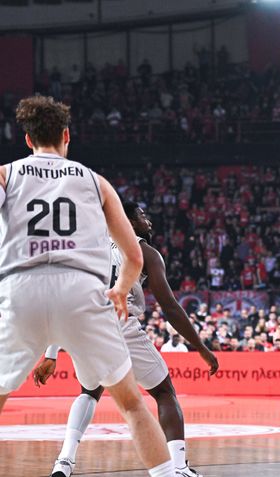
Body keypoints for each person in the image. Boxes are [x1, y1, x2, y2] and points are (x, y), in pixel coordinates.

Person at [0, 96, 175, 477]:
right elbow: (134, 256)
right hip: (82, 290)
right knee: (131, 403)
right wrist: (121, 288)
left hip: (21, 287)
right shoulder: (96, 183)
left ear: (27, 140)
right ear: (66, 135)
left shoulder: (5, 174)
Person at [33, 201, 219, 477]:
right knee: (164, 392)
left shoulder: (84, 248)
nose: (148, 221)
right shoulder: (144, 251)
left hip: (84, 327)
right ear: (128, 222)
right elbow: (169, 306)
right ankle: (178, 467)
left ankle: (64, 461)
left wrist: (51, 353)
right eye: (142, 215)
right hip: (119, 325)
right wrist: (201, 347)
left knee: (89, 391)